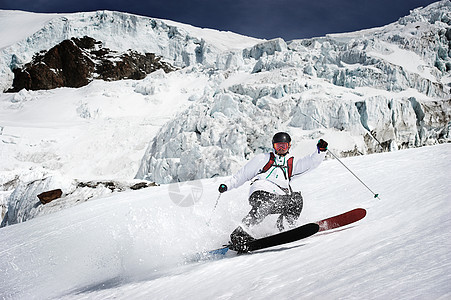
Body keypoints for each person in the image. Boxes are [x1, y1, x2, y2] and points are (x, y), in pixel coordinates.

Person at [218, 132, 328, 252]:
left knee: (296, 199)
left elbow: (311, 162)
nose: (281, 149)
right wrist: (227, 185)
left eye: (284, 146)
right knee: (266, 204)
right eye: (278, 146)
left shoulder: (292, 162)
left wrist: (321, 151)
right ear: (273, 146)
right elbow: (242, 175)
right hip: (260, 191)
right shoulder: (262, 159)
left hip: (280, 196)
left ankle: (285, 227)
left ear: (289, 146)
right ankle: (239, 233)